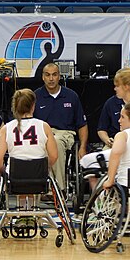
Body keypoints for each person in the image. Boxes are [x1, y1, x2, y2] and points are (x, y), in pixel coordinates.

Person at [0, 89, 58, 226]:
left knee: (18, 173)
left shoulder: (7, 128)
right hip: (39, 176)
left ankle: (23, 214)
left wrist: (0, 171)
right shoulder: (44, 126)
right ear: (33, 105)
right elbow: (54, 155)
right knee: (32, 173)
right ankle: (32, 213)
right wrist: (45, 168)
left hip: (15, 178)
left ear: (15, 107)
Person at [33, 62, 88, 194]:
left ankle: (57, 189)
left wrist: (82, 147)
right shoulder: (35, 96)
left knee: (55, 142)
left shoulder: (71, 96)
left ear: (59, 77)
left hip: (64, 134)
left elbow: (82, 124)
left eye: (54, 75)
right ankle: (34, 188)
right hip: (42, 134)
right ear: (42, 77)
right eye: (47, 75)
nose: (51, 78)